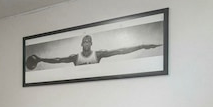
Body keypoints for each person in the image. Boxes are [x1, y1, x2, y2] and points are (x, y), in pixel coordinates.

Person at [25, 35, 161, 70]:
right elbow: (58, 60)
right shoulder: (75, 57)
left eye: (89, 41)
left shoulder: (98, 54)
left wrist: (141, 46)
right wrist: (41, 59)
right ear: (81, 44)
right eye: (84, 41)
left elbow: (120, 51)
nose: (86, 43)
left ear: (91, 44)